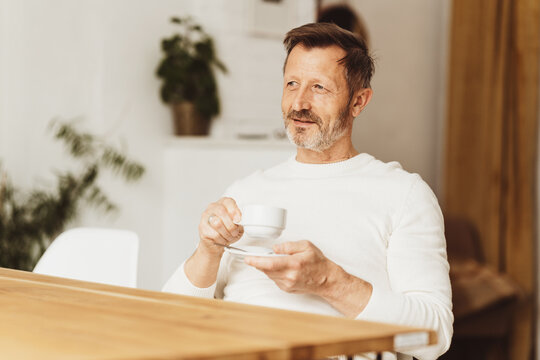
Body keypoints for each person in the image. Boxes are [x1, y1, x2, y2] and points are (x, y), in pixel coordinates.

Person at [163, 22, 453, 360]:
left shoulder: (404, 194)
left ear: (358, 102)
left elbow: (435, 336)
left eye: (319, 87)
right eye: (292, 84)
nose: (299, 103)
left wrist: (329, 282)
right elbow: (172, 319)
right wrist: (208, 250)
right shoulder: (248, 190)